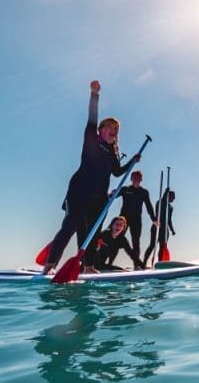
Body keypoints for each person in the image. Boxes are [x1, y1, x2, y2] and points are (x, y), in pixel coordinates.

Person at [41, 80, 139, 275]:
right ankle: (49, 266)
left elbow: (117, 172)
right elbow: (92, 118)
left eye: (116, 130)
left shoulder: (112, 152)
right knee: (69, 228)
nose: (114, 131)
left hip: (98, 197)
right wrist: (95, 95)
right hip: (79, 193)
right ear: (101, 130)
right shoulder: (91, 139)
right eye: (110, 127)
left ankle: (88, 267)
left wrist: (132, 162)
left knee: (92, 234)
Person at [117, 170, 158, 264]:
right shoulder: (125, 189)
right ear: (131, 178)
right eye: (134, 177)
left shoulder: (143, 192)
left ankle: (136, 264)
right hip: (124, 219)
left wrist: (154, 219)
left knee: (136, 242)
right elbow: (112, 196)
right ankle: (107, 263)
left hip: (136, 220)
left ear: (141, 179)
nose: (136, 179)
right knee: (117, 239)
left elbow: (149, 206)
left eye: (138, 177)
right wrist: (112, 193)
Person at [143, 189, 177, 264]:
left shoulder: (171, 208)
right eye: (173, 197)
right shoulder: (160, 203)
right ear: (168, 196)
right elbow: (164, 199)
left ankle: (160, 263)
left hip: (165, 230)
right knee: (152, 245)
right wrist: (166, 191)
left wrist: (172, 230)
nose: (174, 198)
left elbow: (169, 220)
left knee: (162, 247)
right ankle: (144, 263)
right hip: (157, 227)